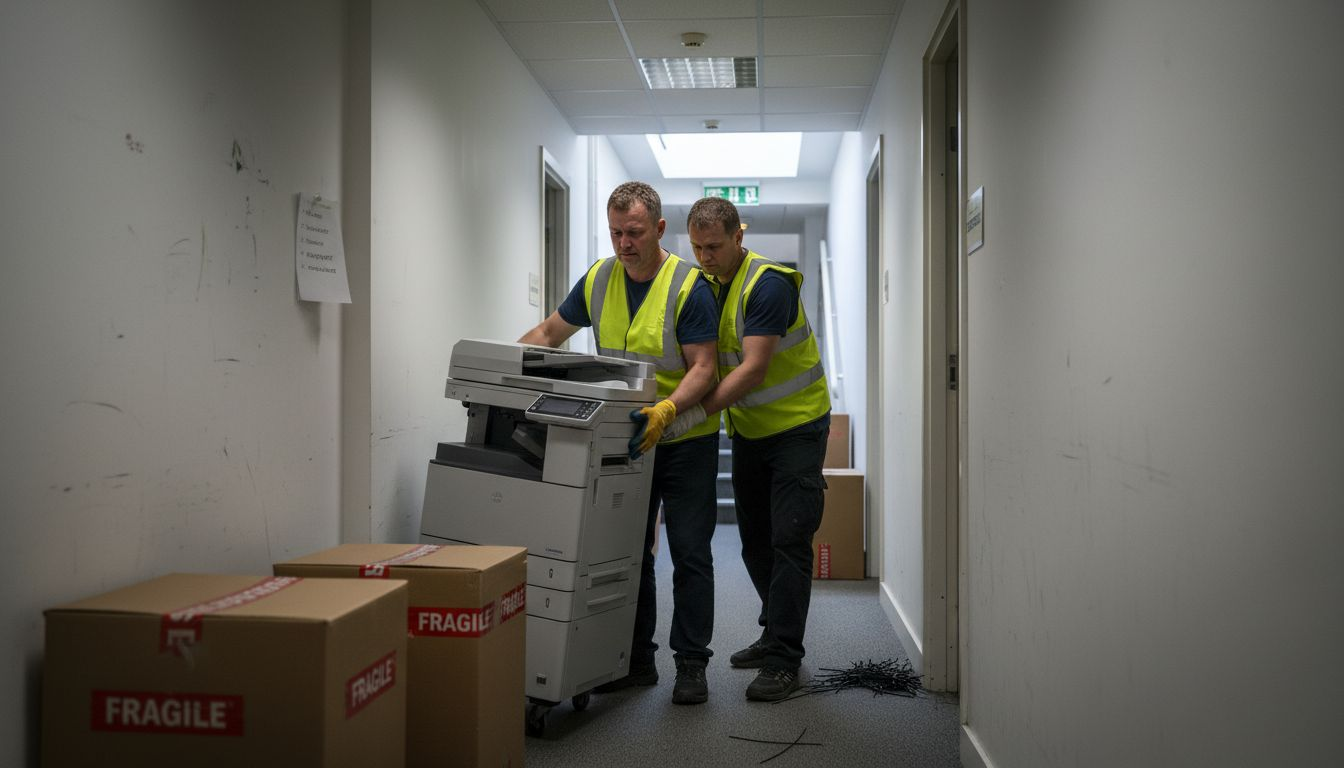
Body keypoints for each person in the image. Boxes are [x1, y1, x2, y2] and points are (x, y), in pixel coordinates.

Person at [518, 181, 720, 705]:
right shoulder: (600, 278)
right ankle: (636, 661)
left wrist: (669, 409)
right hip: (625, 439)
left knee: (690, 550)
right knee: (630, 550)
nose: (623, 243)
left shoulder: (688, 286)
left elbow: (704, 367)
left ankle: (692, 664)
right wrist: (501, 371)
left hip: (684, 437)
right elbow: (547, 333)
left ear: (658, 229)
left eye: (633, 233)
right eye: (615, 232)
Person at [688, 196, 831, 702]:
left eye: (715, 246)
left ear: (738, 237)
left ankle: (784, 659)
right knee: (753, 542)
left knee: (789, 540)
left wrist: (691, 412)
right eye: (698, 247)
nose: (706, 257)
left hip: (796, 428)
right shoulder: (708, 285)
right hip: (749, 431)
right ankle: (774, 630)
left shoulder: (766, 283)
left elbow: (753, 370)